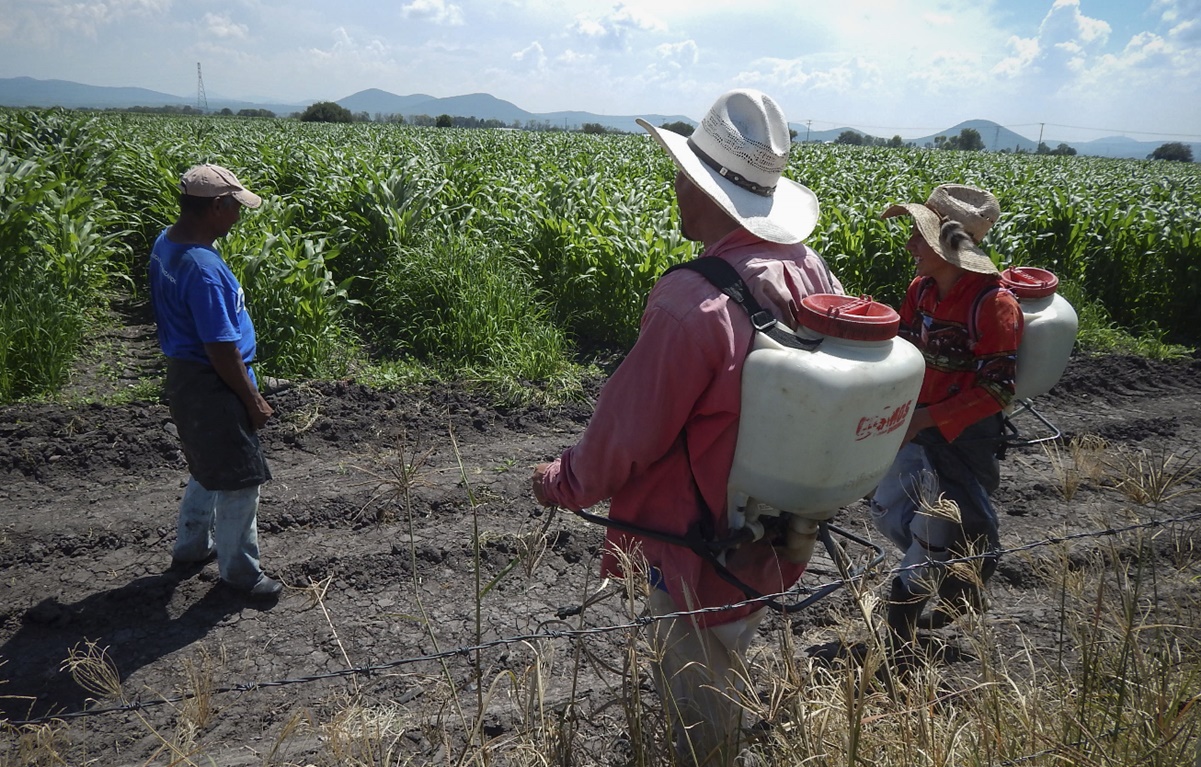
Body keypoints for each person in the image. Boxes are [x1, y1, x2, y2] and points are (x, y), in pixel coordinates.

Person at [531, 90, 842, 766]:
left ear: (707, 191)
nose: (673, 184)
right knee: (728, 660)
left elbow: (626, 432)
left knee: (697, 705)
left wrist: (561, 481)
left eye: (684, 174)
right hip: (775, 529)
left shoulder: (689, 301)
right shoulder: (807, 266)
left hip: (692, 543)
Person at [870, 184, 1024, 669]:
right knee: (889, 510)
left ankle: (902, 622)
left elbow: (998, 390)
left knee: (939, 521)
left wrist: (928, 418)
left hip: (962, 437)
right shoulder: (921, 291)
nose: (911, 245)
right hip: (915, 425)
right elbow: (905, 351)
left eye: (919, 236)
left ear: (946, 247)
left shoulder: (994, 306)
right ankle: (954, 578)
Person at [149, 163, 282, 600]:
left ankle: (191, 548)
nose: (239, 216)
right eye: (235, 207)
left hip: (186, 378)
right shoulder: (203, 268)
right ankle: (241, 575)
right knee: (242, 480)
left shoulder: (166, 243)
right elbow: (220, 347)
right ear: (217, 207)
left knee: (206, 464)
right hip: (214, 381)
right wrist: (252, 398)